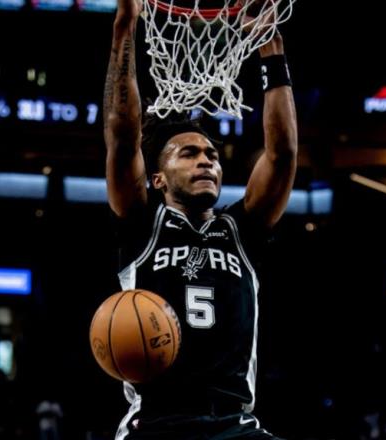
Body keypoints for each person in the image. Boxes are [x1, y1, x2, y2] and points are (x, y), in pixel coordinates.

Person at [102, 0, 297, 437]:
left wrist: (271, 49)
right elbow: (122, 137)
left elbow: (282, 155)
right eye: (188, 154)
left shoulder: (241, 230)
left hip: (234, 424)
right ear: (157, 178)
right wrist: (124, 29)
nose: (206, 160)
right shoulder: (142, 224)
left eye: (211, 155)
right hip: (156, 424)